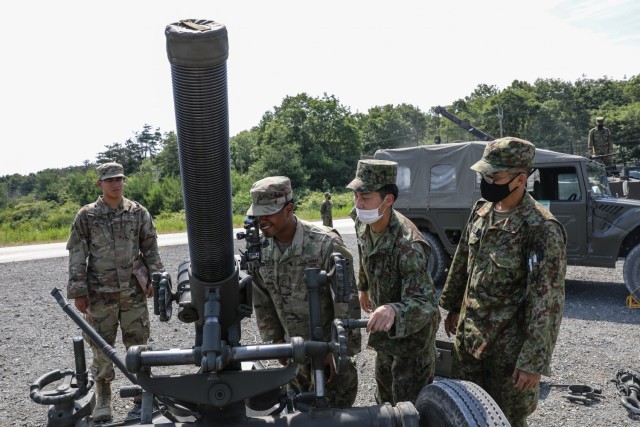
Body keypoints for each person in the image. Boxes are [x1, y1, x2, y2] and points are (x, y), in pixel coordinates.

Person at [439, 137, 567, 427]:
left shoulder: (541, 227)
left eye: (494, 176)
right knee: (466, 411)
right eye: (484, 175)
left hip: (508, 353)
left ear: (520, 179)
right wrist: (453, 306)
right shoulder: (482, 210)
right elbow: (462, 263)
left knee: (506, 419)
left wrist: (533, 361)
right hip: (470, 341)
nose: (486, 181)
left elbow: (547, 302)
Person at [247, 176, 361, 408]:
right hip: (293, 357)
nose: (261, 220)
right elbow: (262, 299)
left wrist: (337, 352)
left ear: (288, 209)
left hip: (327, 358)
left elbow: (346, 303)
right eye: (258, 214)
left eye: (268, 213)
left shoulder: (325, 244)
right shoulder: (261, 250)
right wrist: (276, 341)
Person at [66, 162, 165, 421]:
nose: (116, 183)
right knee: (101, 347)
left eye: (119, 178)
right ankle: (104, 399)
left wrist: (156, 279)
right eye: (110, 180)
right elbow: (78, 254)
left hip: (132, 293)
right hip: (100, 294)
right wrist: (78, 290)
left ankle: (142, 395)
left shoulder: (137, 212)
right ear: (99, 183)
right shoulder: (86, 216)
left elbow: (150, 248)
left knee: (138, 344)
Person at [346, 159, 440, 405]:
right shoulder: (362, 220)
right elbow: (364, 252)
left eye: (365, 197)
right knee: (385, 399)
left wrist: (393, 309)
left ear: (388, 200)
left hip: (412, 341)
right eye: (355, 196)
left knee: (410, 406)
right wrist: (363, 286)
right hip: (386, 332)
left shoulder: (408, 245)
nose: (358, 204)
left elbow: (426, 302)